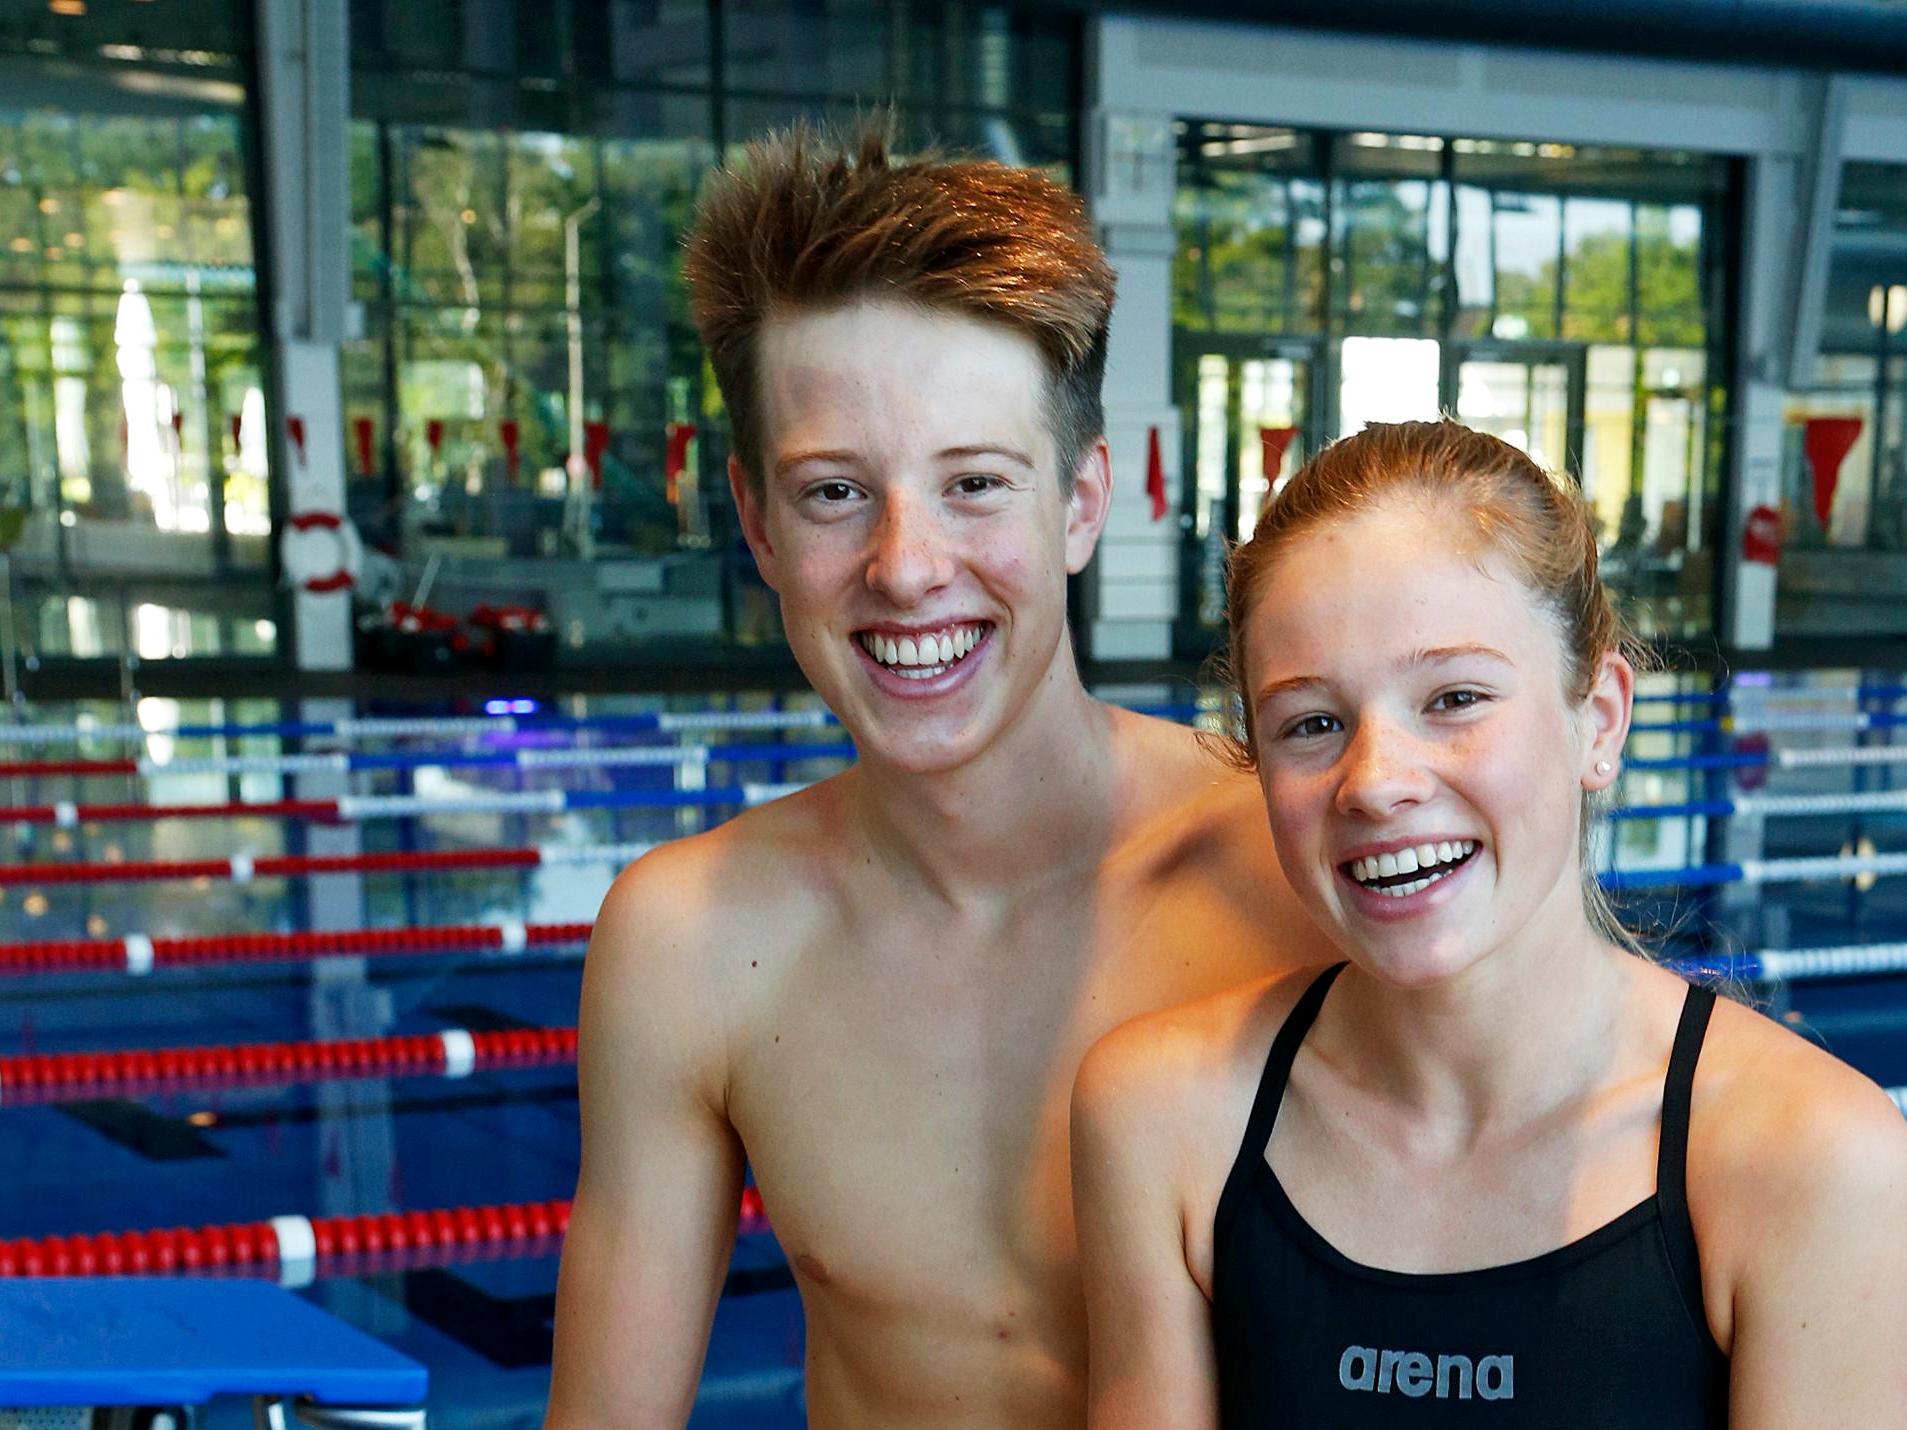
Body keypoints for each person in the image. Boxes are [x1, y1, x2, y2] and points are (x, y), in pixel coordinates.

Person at [545, 121, 1312, 1428]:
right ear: (753, 521)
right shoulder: (692, 943)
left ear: (1080, 501)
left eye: (971, 483)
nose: (904, 565)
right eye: (834, 492)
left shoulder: (1291, 881)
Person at [1071, 420, 1907, 1428]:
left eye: (1454, 696)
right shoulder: (1161, 1118)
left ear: (1596, 718)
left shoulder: (1805, 1159)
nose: (1374, 781)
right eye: (1311, 722)